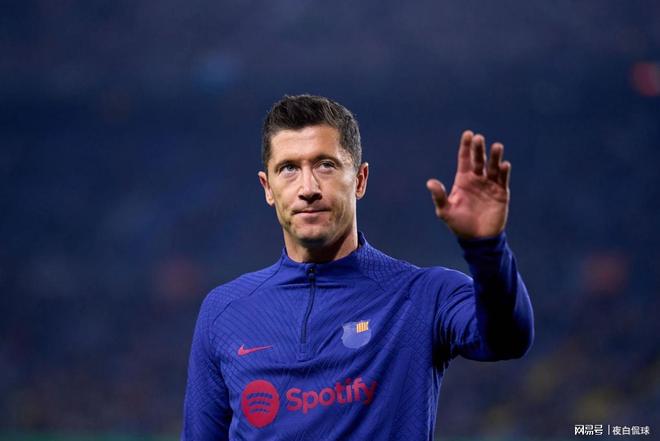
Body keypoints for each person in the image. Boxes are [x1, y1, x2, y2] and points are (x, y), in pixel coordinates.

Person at [181, 94, 534, 440]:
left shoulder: (424, 295)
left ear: (360, 180)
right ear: (267, 188)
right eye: (289, 168)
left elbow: (509, 339)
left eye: (325, 165)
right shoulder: (223, 311)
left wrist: (486, 247)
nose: (308, 188)